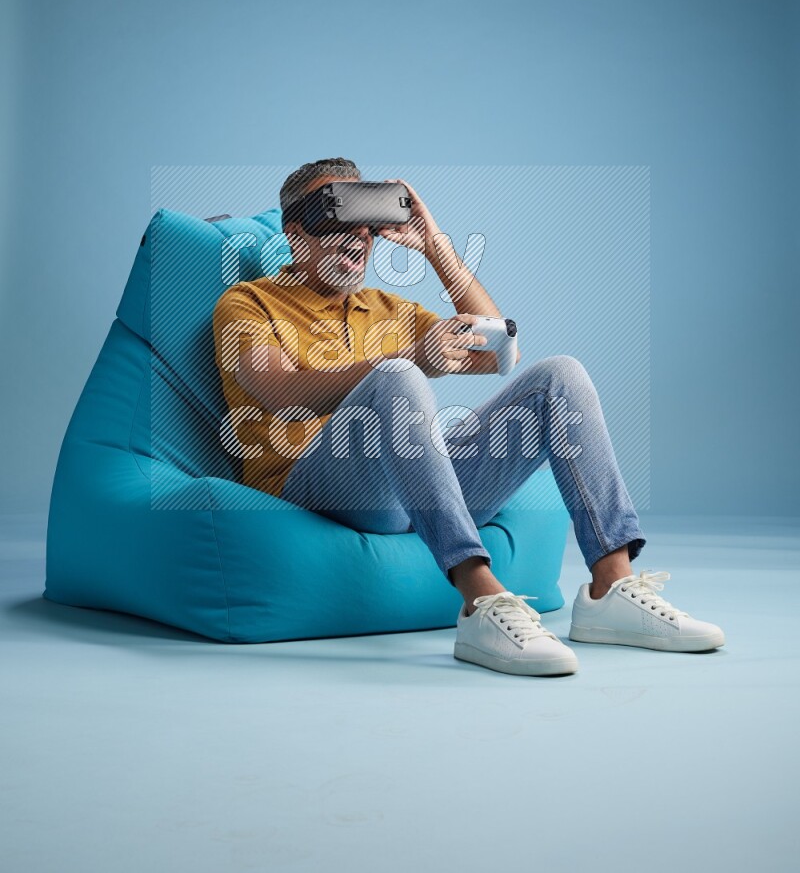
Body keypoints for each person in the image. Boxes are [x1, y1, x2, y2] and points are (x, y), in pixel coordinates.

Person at [213, 157, 725, 676]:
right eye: (339, 220)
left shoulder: (386, 306)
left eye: (367, 227)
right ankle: (480, 600)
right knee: (398, 375)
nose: (358, 239)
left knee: (559, 376)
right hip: (317, 487)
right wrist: (411, 359)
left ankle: (610, 587)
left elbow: (499, 351)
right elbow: (278, 389)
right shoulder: (246, 303)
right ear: (296, 234)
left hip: (413, 487)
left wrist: (436, 247)